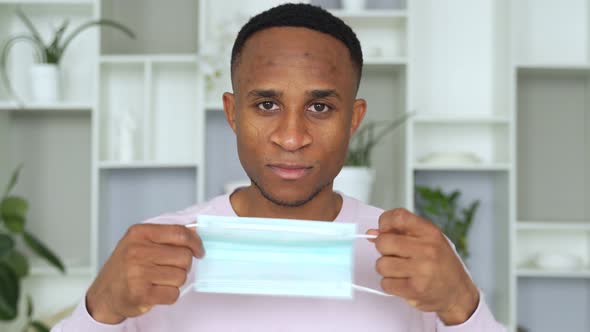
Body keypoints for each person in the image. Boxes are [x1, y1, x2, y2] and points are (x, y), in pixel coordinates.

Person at [52, 3, 505, 331]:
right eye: (267, 104)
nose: (291, 136)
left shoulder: (417, 261)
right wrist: (100, 310)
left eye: (321, 108)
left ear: (355, 120)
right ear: (232, 114)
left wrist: (464, 307)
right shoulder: (153, 254)